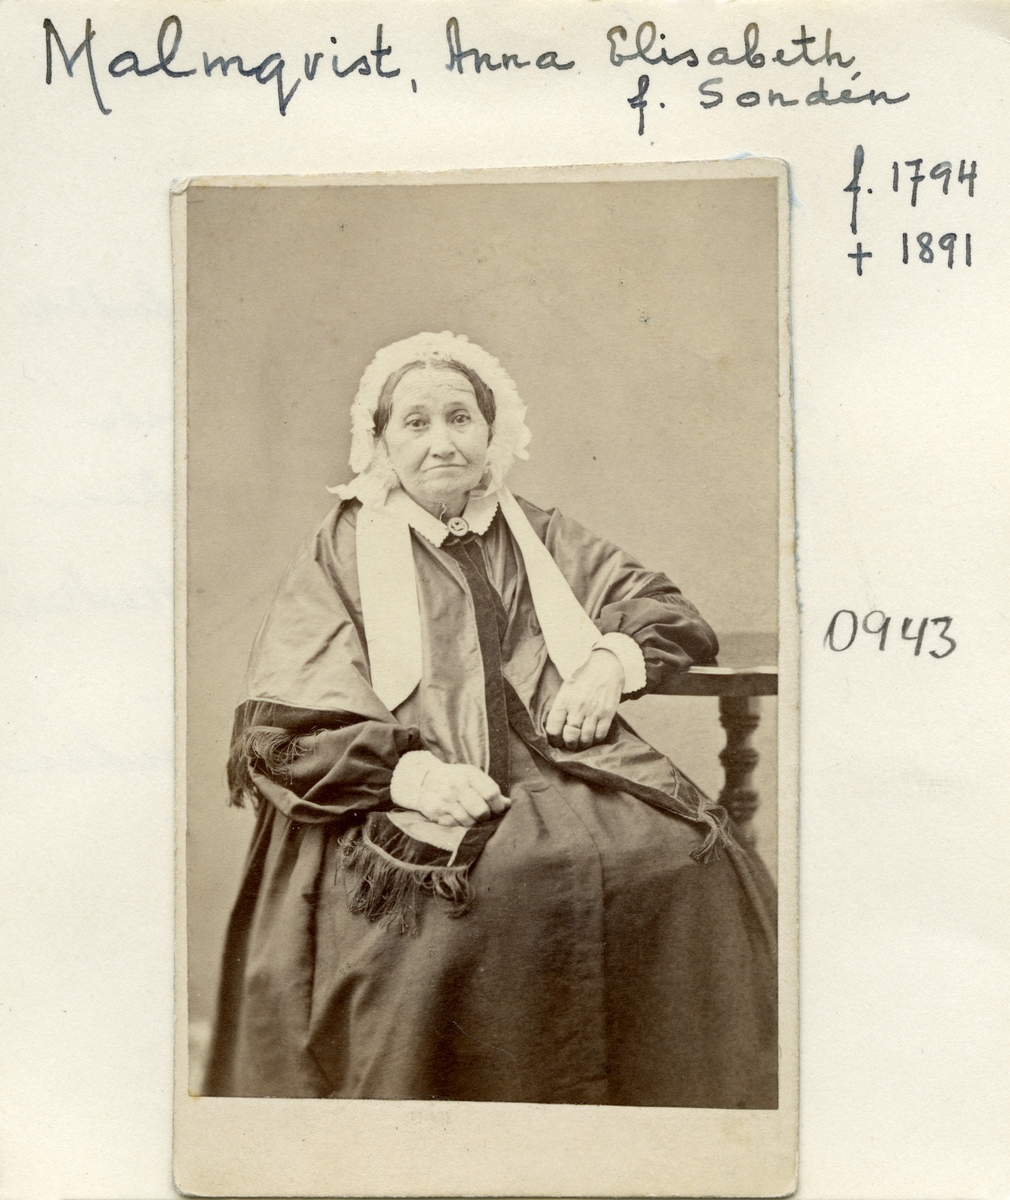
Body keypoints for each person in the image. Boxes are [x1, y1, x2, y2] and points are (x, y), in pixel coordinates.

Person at [204, 331, 777, 1107]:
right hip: (400, 778)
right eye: (416, 423)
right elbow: (294, 711)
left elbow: (658, 605)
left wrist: (608, 664)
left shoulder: (534, 530)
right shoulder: (342, 546)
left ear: (490, 431)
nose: (442, 442)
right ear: (380, 442)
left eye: (460, 418)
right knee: (490, 890)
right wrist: (411, 776)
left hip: (561, 763)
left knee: (685, 861)